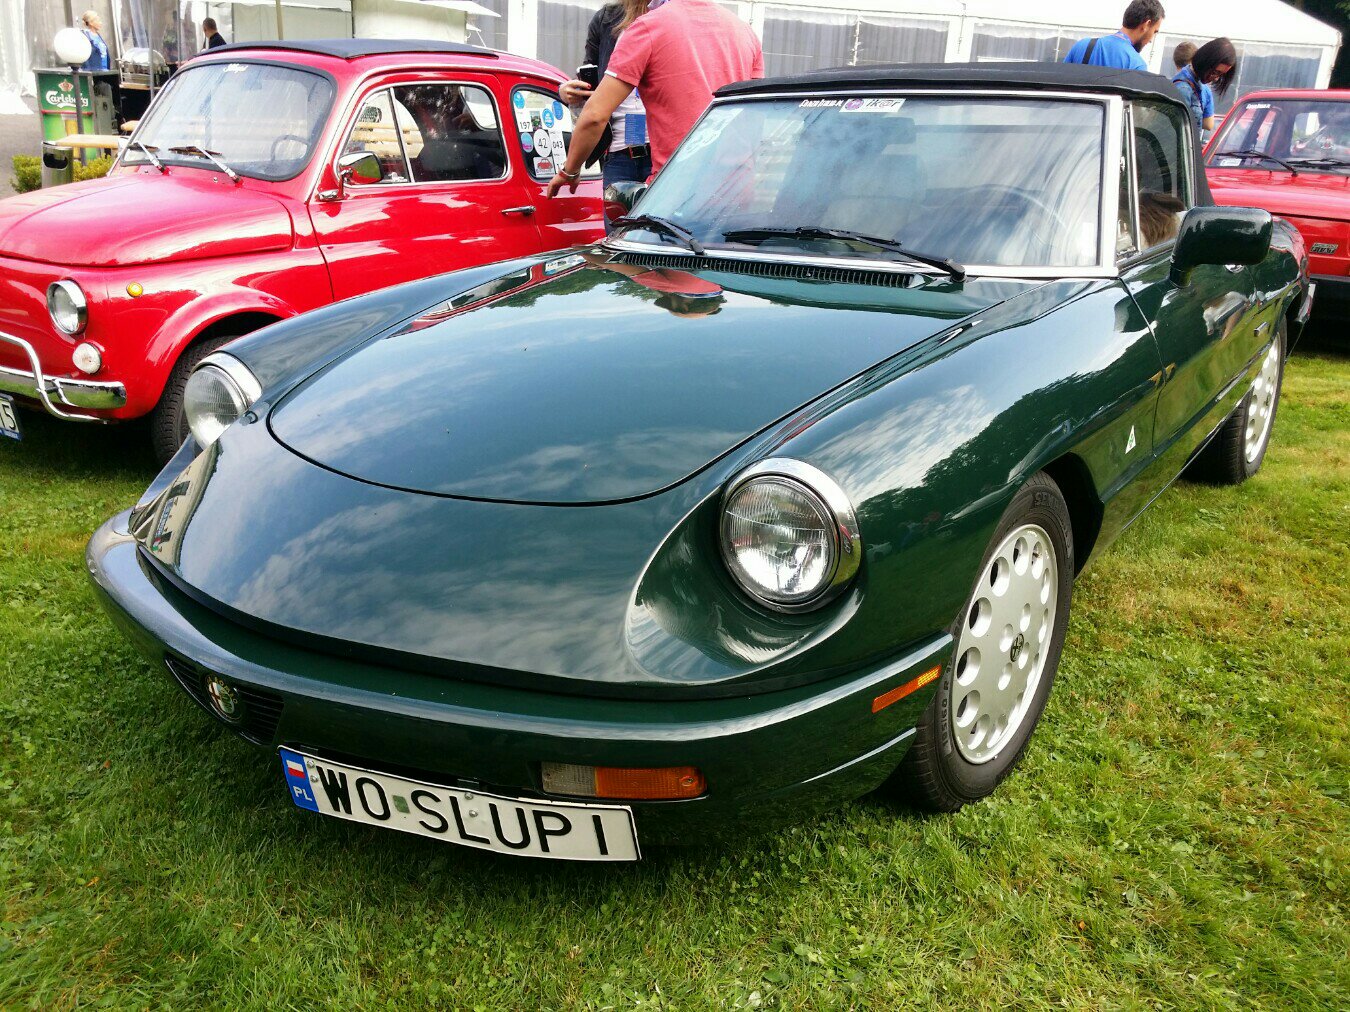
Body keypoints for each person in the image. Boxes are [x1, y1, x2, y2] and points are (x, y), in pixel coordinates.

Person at [546, 0, 762, 198]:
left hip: (676, 184)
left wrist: (570, 170)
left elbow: (594, 115)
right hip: (735, 186)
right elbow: (755, 116)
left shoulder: (650, 27)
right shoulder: (745, 31)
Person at [559, 0, 652, 212]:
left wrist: (570, 169)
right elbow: (590, 75)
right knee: (619, 228)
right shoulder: (607, 18)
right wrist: (567, 91)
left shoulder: (667, 16)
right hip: (618, 152)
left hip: (661, 151)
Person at [1062, 1, 1165, 72]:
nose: (1151, 40)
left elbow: (1060, 83)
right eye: (1154, 31)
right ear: (1146, 24)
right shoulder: (1136, 65)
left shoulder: (1082, 45)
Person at [1174, 38, 1237, 133]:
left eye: (1220, 75)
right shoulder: (1183, 88)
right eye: (1215, 72)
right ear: (1206, 62)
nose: (1216, 78)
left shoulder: (1196, 85)